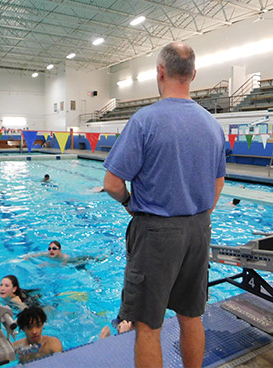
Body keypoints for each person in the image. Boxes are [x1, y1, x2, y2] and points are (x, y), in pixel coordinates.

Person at [103, 42, 226, 368]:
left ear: (160, 72)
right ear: (193, 74)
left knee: (147, 326)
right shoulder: (213, 125)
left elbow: (112, 183)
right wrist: (201, 213)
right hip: (199, 230)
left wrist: (130, 202)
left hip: (156, 234)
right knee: (190, 317)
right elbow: (219, 182)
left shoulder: (146, 120)